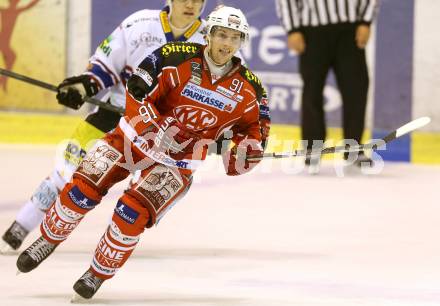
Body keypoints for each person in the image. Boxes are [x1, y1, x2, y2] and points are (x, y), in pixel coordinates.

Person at [16, 5, 271, 300]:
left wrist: (243, 154)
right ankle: (48, 239)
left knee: (131, 214)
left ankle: (96, 274)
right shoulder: (174, 55)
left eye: (234, 38)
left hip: (178, 162)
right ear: (209, 34)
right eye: (221, 35)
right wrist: (152, 125)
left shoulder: (252, 89)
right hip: (132, 139)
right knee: (82, 189)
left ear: (241, 42)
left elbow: (255, 135)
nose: (226, 44)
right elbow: (137, 89)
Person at [0, 0, 209, 253]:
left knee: (145, 193)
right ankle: (21, 225)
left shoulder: (212, 41)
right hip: (114, 114)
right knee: (66, 174)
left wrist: (219, 131)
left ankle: (114, 246)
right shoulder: (139, 23)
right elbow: (104, 67)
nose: (191, 4)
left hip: (165, 131)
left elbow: (223, 98)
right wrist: (83, 87)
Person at [276, 0, 378, 172]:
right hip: (312, 30)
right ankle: (312, 149)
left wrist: (365, 21)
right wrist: (292, 29)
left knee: (356, 88)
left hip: (350, 28)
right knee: (312, 90)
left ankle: (353, 148)